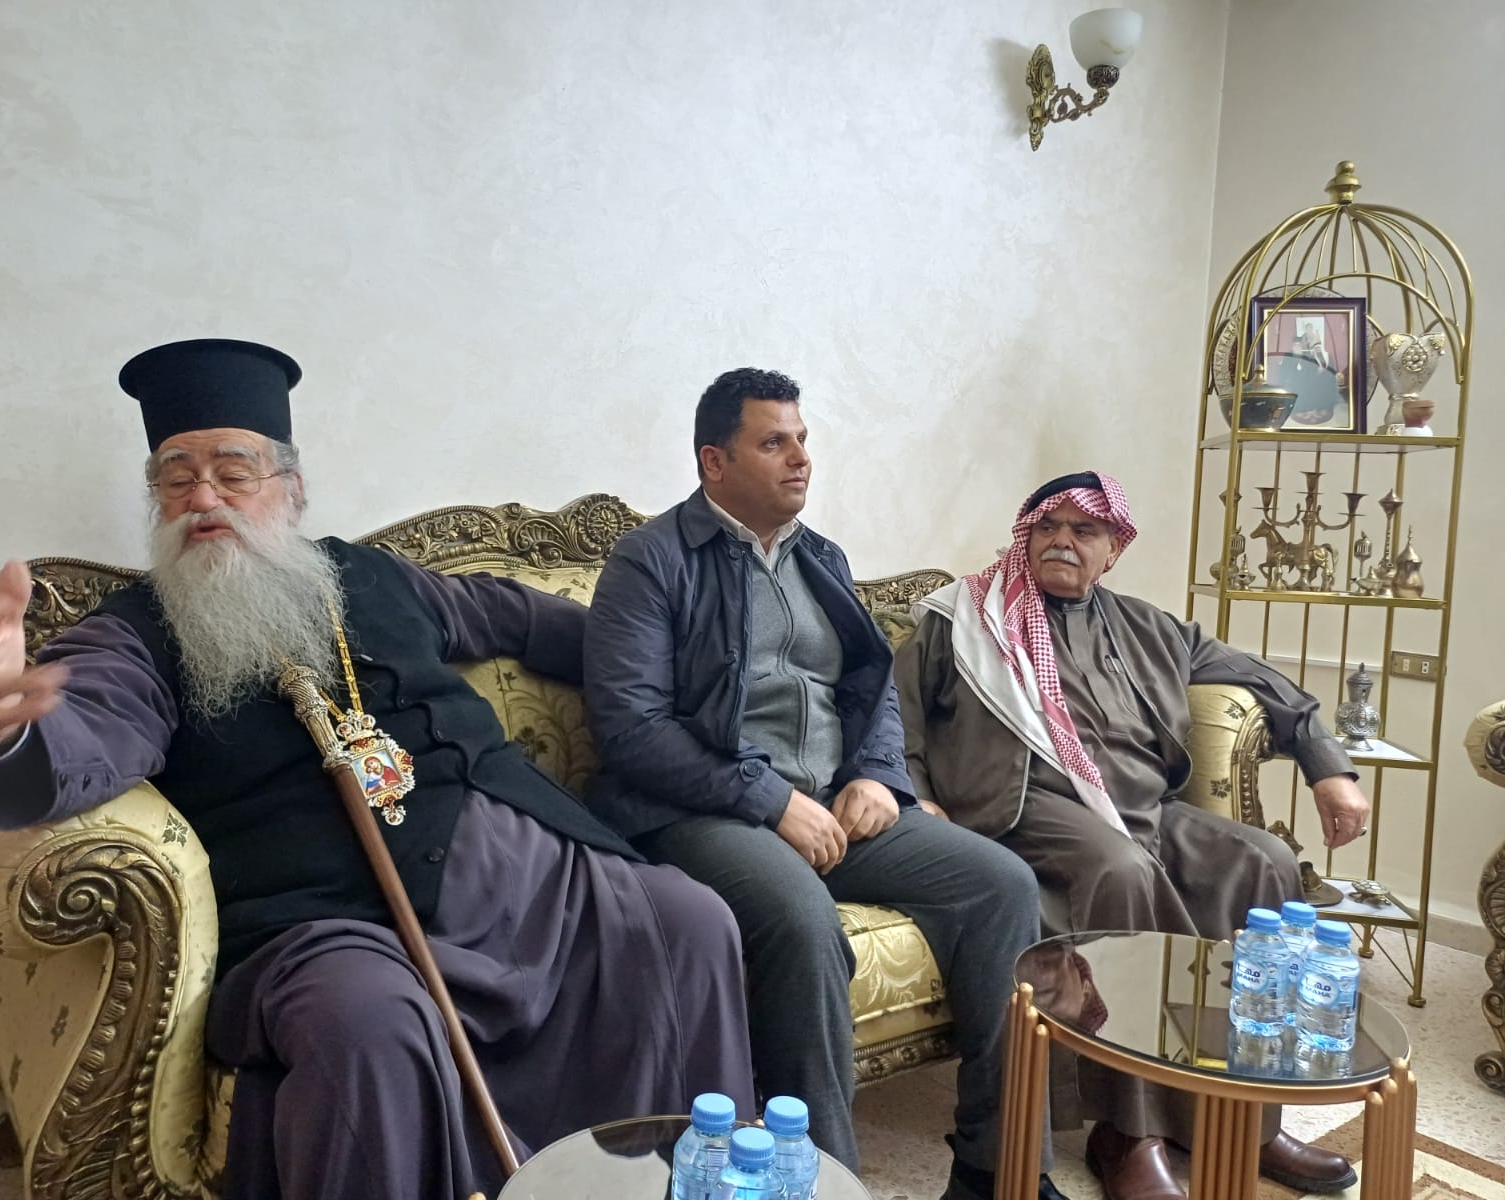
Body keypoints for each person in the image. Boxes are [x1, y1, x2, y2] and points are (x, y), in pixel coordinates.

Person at [0, 339, 755, 1200]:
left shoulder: (373, 576)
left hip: (533, 879)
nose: (202, 498)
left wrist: (670, 657)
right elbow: (81, 733)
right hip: (325, 918)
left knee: (688, 921)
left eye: (232, 473)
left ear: (290, 490)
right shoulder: (134, 631)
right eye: (175, 480)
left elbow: (522, 618)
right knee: (366, 1025)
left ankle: (670, 1186)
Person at [582, 368, 1061, 1200]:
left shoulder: (822, 558)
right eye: (773, 442)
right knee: (803, 924)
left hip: (835, 806)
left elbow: (872, 688)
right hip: (706, 811)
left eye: (802, 440)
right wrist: (771, 801)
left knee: (1002, 885)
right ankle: (825, 1181)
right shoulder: (651, 562)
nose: (800, 458)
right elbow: (632, 730)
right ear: (714, 462)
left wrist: (878, 776)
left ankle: (1000, 1170)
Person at [895, 470, 1371, 1200]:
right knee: (1119, 869)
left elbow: (1265, 681)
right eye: (1047, 526)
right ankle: (1128, 1130)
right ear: (1025, 535)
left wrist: (1326, 766)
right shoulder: (964, 620)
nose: (1061, 540)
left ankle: (1247, 1116)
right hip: (1024, 809)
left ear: (1113, 548)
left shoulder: (1151, 629)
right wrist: (917, 798)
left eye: (1083, 530)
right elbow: (895, 715)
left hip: (1144, 809)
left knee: (1264, 860)